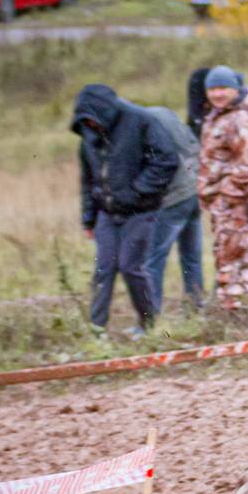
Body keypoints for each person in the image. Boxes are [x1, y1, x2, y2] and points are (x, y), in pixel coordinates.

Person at [70, 83, 179, 336]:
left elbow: (166, 160)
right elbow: (88, 180)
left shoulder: (141, 121)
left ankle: (149, 324)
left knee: (130, 267)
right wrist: (88, 219)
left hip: (141, 211)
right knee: (104, 268)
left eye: (92, 120)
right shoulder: (88, 133)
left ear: (105, 112)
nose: (90, 125)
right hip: (106, 213)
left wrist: (137, 190)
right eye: (85, 121)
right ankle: (96, 329)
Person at [197, 65, 248, 312]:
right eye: (212, 89)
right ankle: (231, 308)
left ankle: (235, 312)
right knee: (227, 254)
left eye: (223, 88)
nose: (217, 94)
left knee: (235, 253)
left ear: (235, 89)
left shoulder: (241, 118)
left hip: (236, 202)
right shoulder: (219, 115)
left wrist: (226, 194)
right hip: (224, 202)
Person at [143, 105, 204, 312]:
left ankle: (149, 317)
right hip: (193, 191)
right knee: (191, 256)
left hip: (173, 199)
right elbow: (195, 146)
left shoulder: (142, 123)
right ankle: (195, 308)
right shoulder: (165, 113)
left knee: (152, 260)